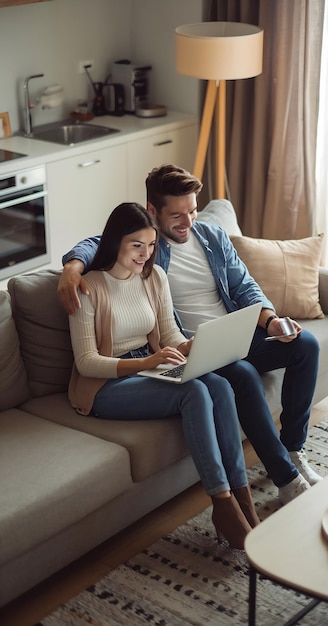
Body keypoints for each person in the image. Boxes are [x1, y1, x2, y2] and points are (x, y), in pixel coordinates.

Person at [58, 164, 322, 505]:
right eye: (177, 215)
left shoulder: (212, 237)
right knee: (238, 375)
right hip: (194, 346)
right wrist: (72, 266)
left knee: (305, 345)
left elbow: (243, 286)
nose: (188, 222)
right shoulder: (149, 251)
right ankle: (286, 480)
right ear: (153, 211)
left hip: (233, 333)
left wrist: (270, 321)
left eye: (193, 210)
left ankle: (292, 449)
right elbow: (100, 243)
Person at [66, 201, 260, 551]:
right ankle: (222, 502)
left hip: (150, 365)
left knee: (217, 384)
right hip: (105, 386)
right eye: (136, 245)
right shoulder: (88, 287)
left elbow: (169, 335)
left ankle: (243, 497)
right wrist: (146, 363)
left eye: (151, 244)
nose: (145, 254)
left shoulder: (155, 278)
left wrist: (193, 346)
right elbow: (86, 362)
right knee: (194, 393)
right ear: (115, 243)